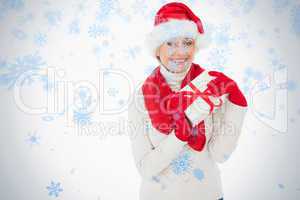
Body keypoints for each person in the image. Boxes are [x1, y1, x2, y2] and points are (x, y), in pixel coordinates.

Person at [127, 2, 247, 200]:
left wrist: (237, 105)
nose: (181, 52)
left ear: (196, 46)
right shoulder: (141, 97)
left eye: (188, 42)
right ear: (157, 48)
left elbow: (220, 155)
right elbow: (146, 169)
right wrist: (182, 131)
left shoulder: (211, 85)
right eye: (171, 42)